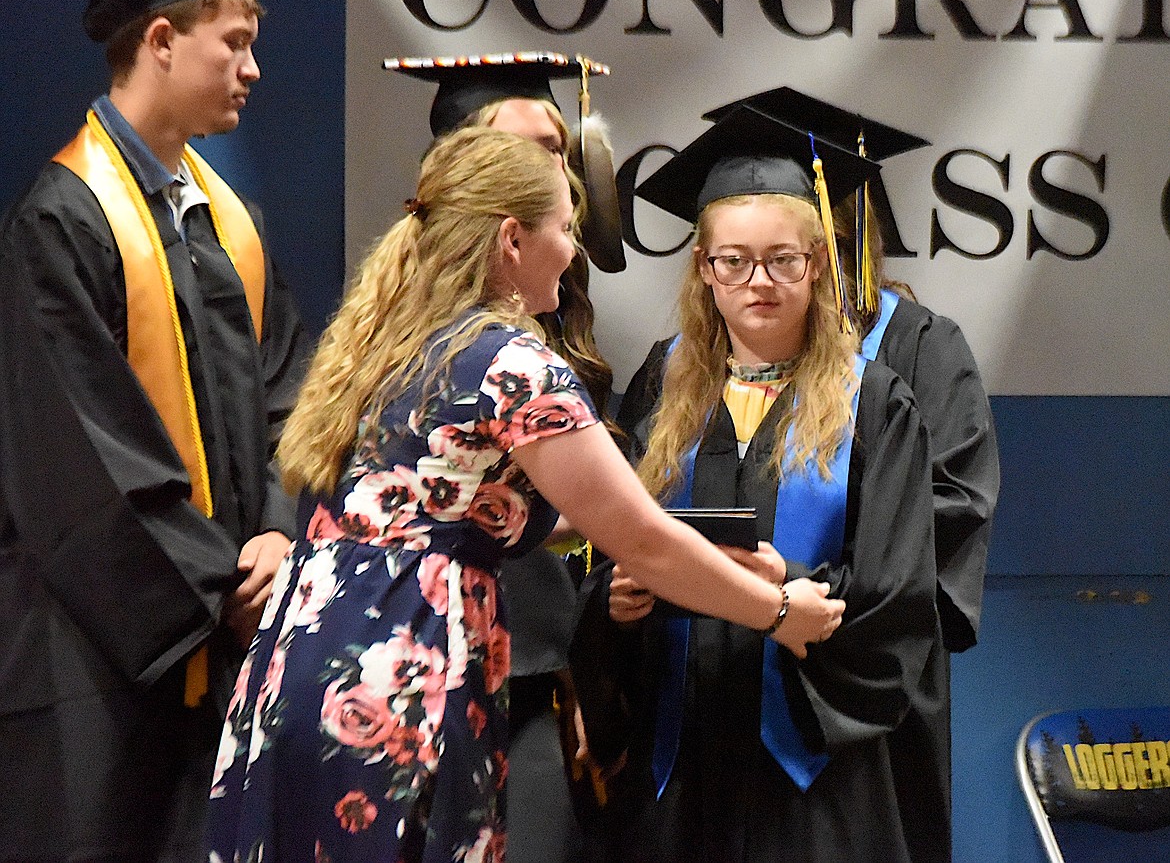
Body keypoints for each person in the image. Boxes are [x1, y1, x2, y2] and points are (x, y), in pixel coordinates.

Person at [205, 125, 845, 863]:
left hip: (300, 660)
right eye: (566, 230)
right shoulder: (513, 365)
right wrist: (778, 612)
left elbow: (476, 503)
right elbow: (635, 537)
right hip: (400, 673)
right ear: (512, 240)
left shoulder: (385, 340)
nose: (574, 253)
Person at [0, 0, 309, 863]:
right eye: (238, 44)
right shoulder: (64, 219)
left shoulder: (231, 223)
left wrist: (279, 531)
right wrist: (220, 585)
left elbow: (292, 403)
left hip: (228, 639)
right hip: (101, 655)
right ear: (164, 41)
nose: (254, 69)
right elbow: (78, 464)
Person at [571, 105, 939, 863]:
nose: (758, 282)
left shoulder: (875, 403)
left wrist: (794, 586)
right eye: (732, 261)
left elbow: (900, 598)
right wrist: (614, 603)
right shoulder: (661, 387)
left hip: (812, 774)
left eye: (783, 260)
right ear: (704, 270)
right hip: (678, 759)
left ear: (818, 263)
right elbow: (611, 539)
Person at [701, 85, 1001, 863]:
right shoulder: (687, 376)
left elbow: (951, 509)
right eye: (742, 256)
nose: (768, 276)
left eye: (803, 244)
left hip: (858, 679)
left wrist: (823, 581)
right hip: (715, 687)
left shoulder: (919, 351)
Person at [387, 51, 625, 862]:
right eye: (527, 151)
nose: (554, 168)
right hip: (426, 669)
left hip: (539, 680)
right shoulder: (404, 330)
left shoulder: (559, 314)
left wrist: (585, 679)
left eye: (557, 149)